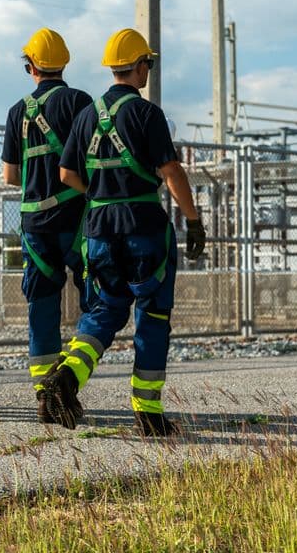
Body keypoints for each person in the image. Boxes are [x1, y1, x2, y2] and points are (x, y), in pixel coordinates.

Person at [40, 29, 207, 437]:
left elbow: (66, 174)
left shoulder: (87, 115)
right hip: (142, 225)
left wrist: (99, 195)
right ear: (139, 66)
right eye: (147, 62)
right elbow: (171, 172)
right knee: (151, 311)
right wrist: (193, 219)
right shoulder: (147, 114)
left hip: (98, 228)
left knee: (103, 311)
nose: (148, 69)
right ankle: (147, 413)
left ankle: (66, 378)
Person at [0, 28, 94, 422]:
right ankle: (68, 378)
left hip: (35, 222)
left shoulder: (17, 111)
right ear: (65, 63)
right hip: (77, 220)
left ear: (31, 68)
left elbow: (9, 176)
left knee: (42, 304)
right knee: (97, 299)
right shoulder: (81, 102)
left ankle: (45, 392)